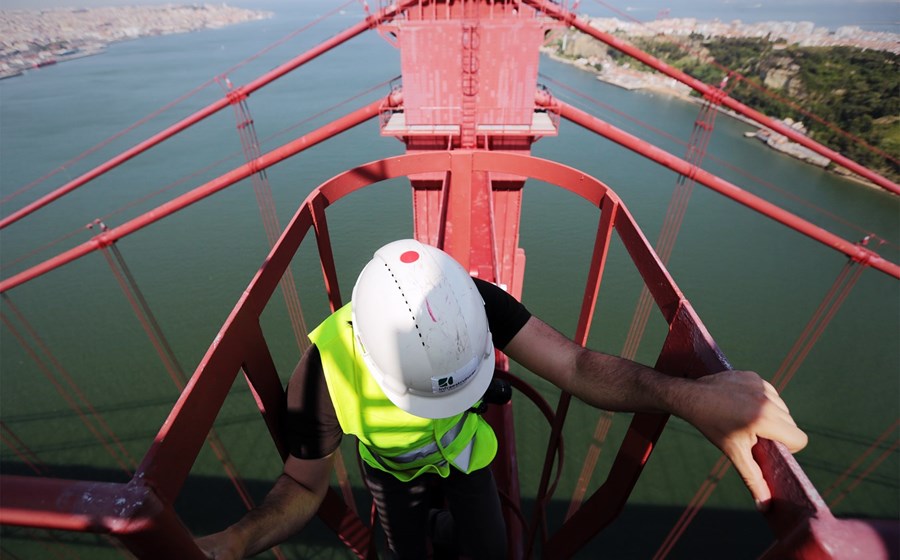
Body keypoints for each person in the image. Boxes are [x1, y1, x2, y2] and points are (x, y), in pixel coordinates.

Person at [196, 239, 807, 559]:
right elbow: (303, 486)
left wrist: (685, 396)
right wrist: (240, 539)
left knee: (490, 549)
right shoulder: (324, 371)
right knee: (406, 552)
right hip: (391, 475)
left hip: (467, 456)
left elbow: (573, 364)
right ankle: (431, 524)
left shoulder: (473, 301)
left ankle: (444, 522)